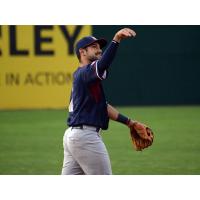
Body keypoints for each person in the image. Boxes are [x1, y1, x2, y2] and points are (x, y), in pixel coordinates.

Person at [61, 28, 138, 175]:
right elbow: (103, 64)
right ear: (82, 52)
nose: (99, 50)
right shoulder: (85, 72)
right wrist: (116, 39)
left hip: (74, 137)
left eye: (99, 47)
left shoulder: (85, 77)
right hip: (86, 138)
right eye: (94, 47)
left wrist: (130, 122)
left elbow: (103, 107)